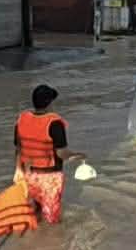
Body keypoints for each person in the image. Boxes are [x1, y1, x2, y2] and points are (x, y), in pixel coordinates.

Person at [14, 85, 85, 225]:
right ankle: (53, 244)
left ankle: (34, 240)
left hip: (30, 176)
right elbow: (62, 153)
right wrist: (79, 156)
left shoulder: (21, 120)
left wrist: (18, 170)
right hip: (50, 179)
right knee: (52, 220)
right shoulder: (55, 123)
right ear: (49, 103)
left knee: (36, 214)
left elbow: (19, 149)